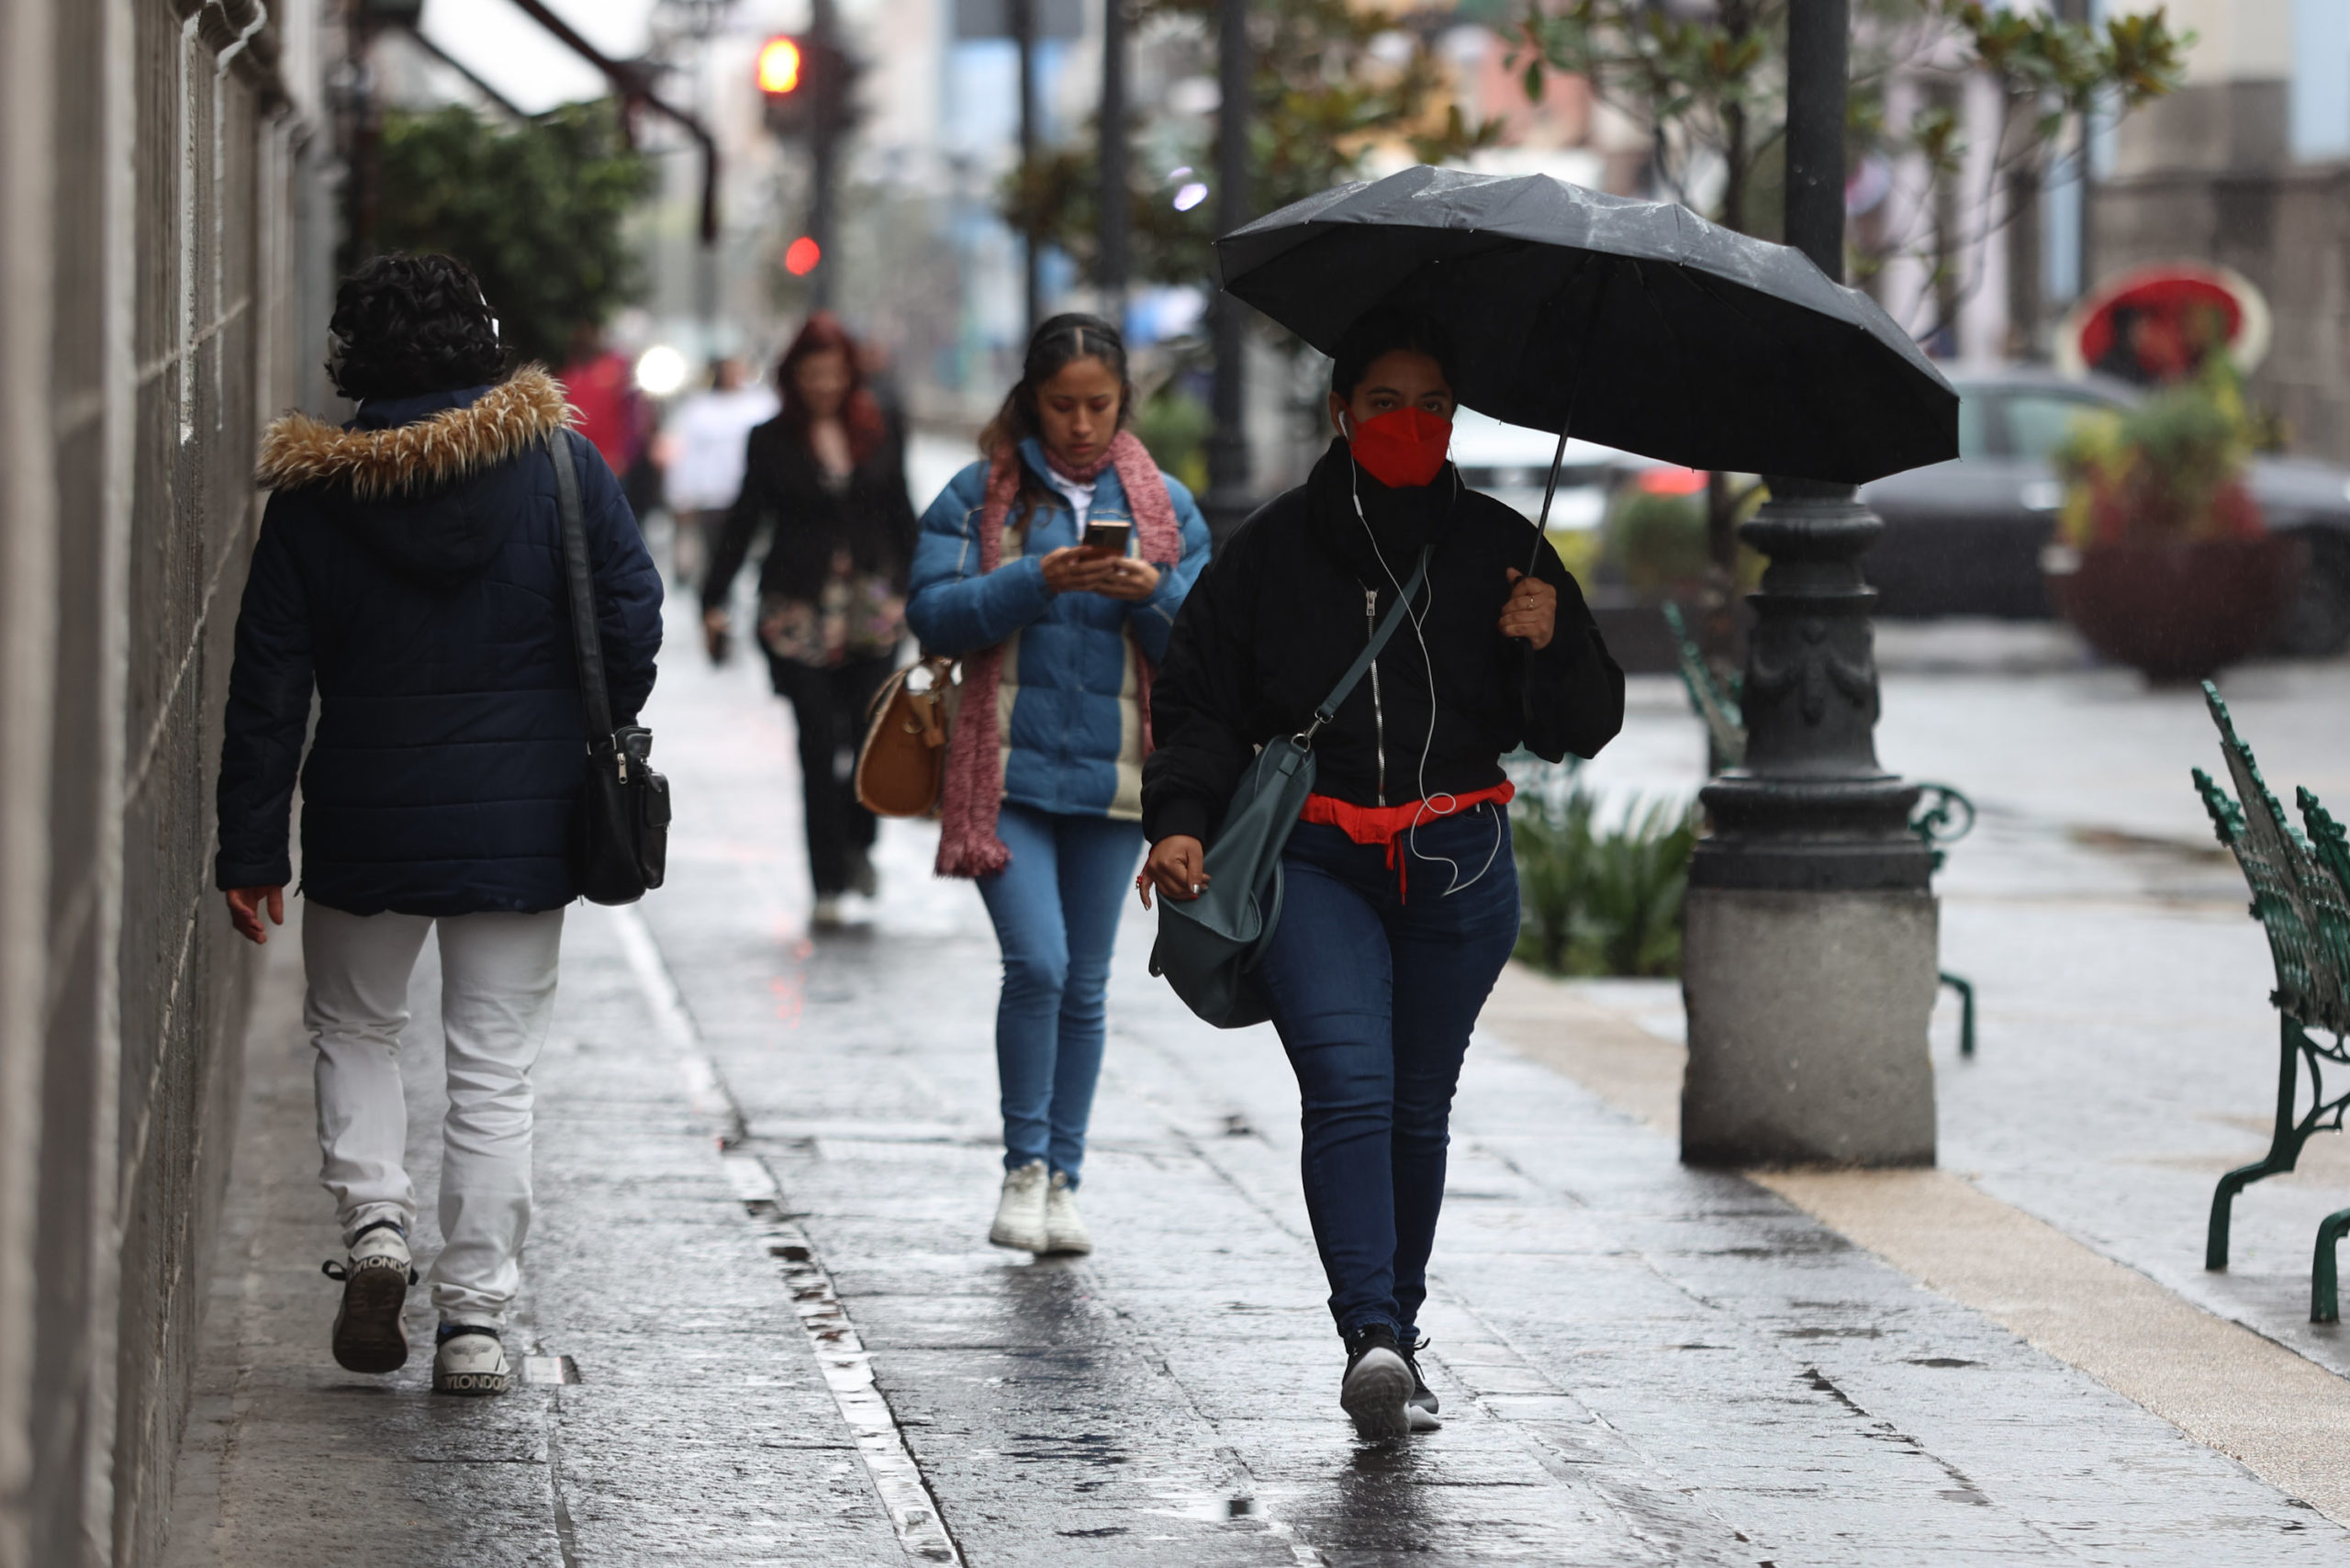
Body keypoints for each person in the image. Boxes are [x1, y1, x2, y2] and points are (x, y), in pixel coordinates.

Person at [1139, 308, 1623, 1439]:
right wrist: (1179, 820)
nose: (1411, 424)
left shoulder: (1504, 544)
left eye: (1432, 405)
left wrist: (1549, 642)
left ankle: (1395, 1335)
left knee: (1415, 1107)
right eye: (1385, 402)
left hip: (1458, 869)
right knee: (1349, 1088)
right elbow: (1198, 701)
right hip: (1316, 860)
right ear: (1340, 411)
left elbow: (1582, 726)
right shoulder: (1270, 551)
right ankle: (1368, 1329)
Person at [214, 254, 663, 1397]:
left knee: (357, 1027)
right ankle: (472, 1324)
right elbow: (630, 615)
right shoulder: (561, 465)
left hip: (366, 804)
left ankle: (373, 1226)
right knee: (493, 1069)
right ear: (483, 339)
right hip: (526, 815)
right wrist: (575, 714)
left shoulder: (316, 498)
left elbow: (268, 678)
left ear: (352, 357)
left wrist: (252, 846)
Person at [907, 313, 1212, 1257]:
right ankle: (1022, 1166)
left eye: (1100, 405)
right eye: (1061, 405)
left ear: (1124, 403)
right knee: (1035, 965)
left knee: (1085, 984)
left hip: (1118, 784)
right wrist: (1035, 579)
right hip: (1004, 773)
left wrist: (1148, 592)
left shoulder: (1168, 507)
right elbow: (932, 615)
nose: (1081, 425)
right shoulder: (982, 497)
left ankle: (1066, 1179)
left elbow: (1206, 651)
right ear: (1030, 402)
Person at [702, 314, 919, 926]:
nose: (824, 385)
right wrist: (713, 598)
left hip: (872, 608)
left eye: (834, 373)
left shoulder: (879, 428)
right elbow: (744, 520)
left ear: (851, 375)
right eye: (812, 374)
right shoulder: (770, 438)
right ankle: (825, 881)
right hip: (797, 610)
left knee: (873, 732)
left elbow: (903, 510)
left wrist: (931, 587)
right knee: (817, 742)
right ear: (793, 377)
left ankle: (860, 844)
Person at [662, 355, 779, 588]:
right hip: (713, 499)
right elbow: (686, 454)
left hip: (752, 496)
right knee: (717, 558)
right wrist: (680, 495)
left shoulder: (762, 405)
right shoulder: (698, 409)